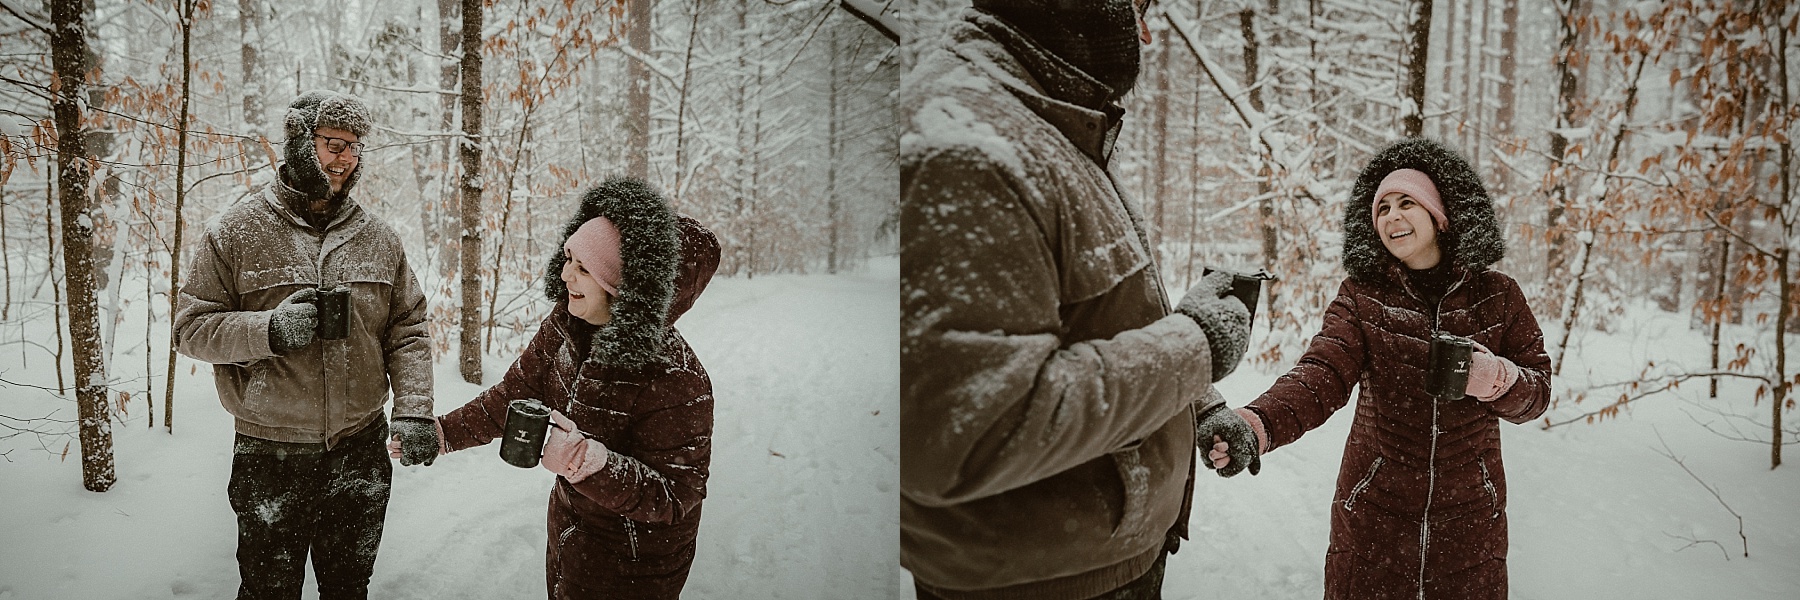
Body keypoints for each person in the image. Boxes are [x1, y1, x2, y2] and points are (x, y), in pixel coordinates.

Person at [899, 1, 1258, 598]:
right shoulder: (963, 144)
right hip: (1037, 584)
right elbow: (971, 432)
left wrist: (1201, 403)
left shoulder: (1051, 126)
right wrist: (1196, 344)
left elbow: (1096, 323)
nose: (1145, 32)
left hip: (1099, 567)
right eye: (1139, 6)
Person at [1207, 138, 1552, 599]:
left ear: (1440, 214)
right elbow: (1322, 372)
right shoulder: (1362, 295)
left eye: (1406, 202)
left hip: (1469, 523)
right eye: (1382, 208)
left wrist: (1493, 378)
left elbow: (1538, 392)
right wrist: (1258, 423)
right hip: (1375, 517)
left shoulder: (1498, 295)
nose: (1392, 217)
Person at [174, 89, 439, 600]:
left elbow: (408, 329)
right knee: (268, 590)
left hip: (359, 448)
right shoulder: (237, 230)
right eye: (333, 143)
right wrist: (269, 330)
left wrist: (415, 411)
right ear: (300, 141)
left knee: (348, 588)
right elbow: (191, 329)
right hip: (271, 453)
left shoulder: (378, 237)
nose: (345, 158)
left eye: (355, 147)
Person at [409, 177, 720, 600]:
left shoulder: (676, 378)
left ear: (621, 285)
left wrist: (587, 463)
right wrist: (442, 434)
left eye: (583, 268)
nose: (564, 273)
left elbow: (675, 497)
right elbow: (513, 396)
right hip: (572, 537)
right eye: (568, 257)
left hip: (636, 568)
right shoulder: (566, 326)